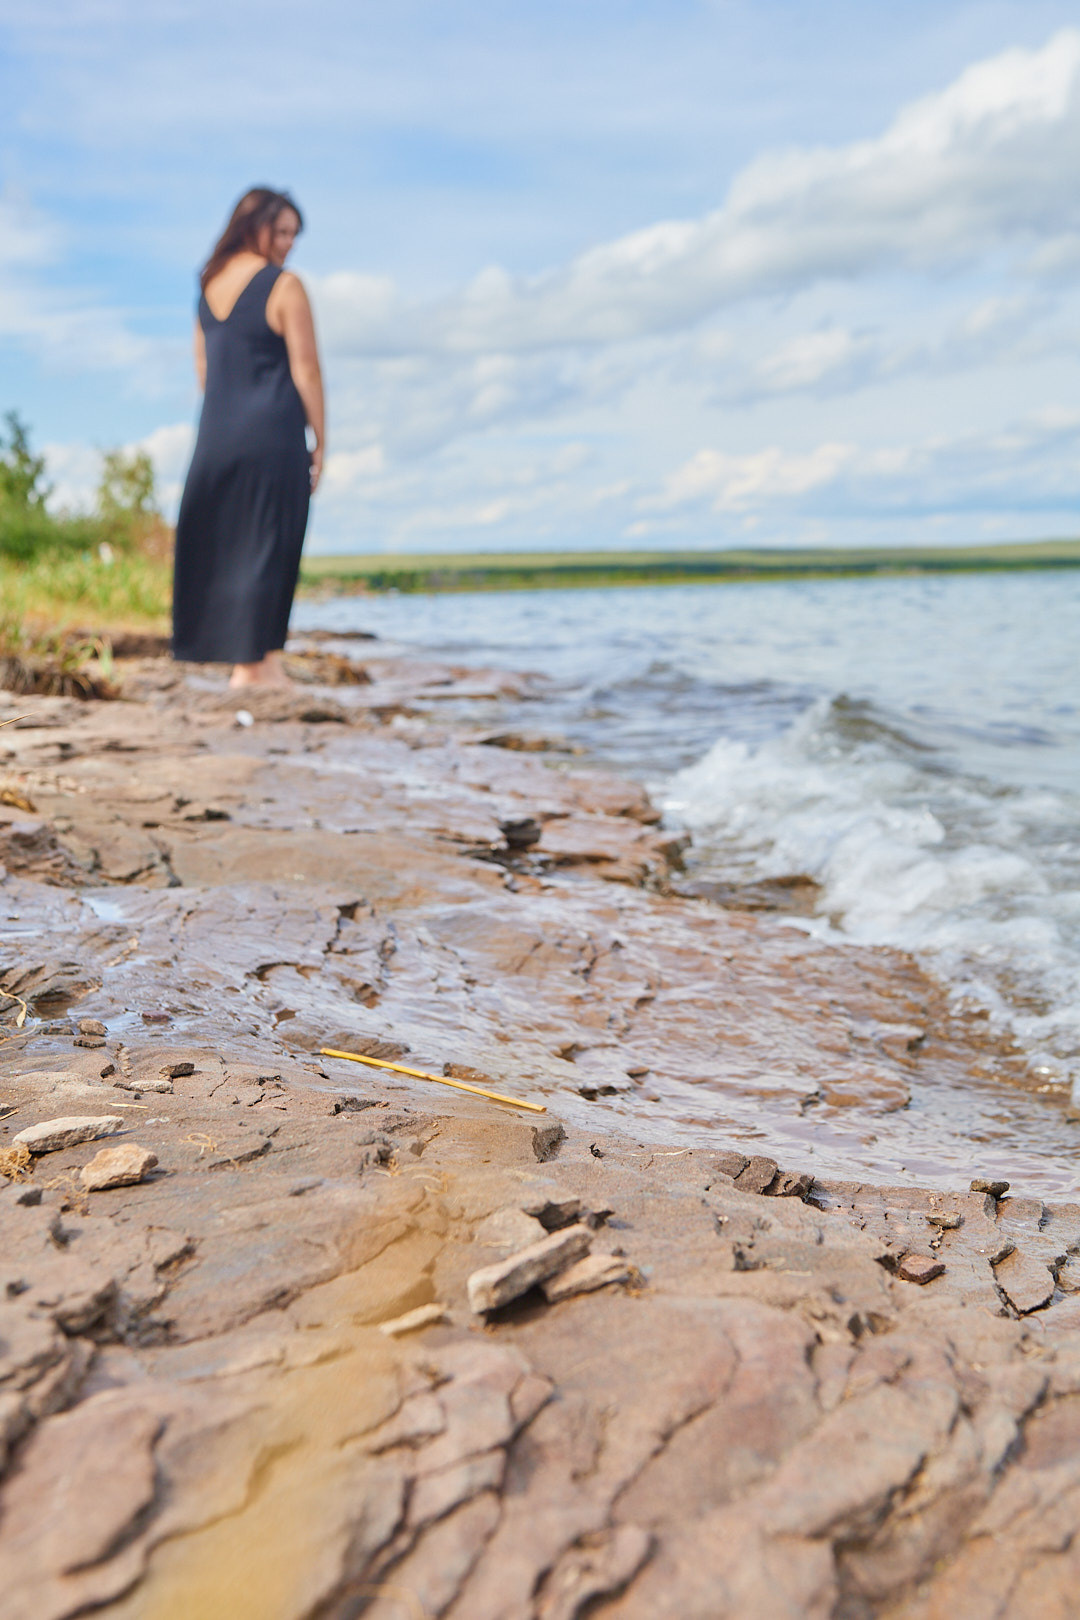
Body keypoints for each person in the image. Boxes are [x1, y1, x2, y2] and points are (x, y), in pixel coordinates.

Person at [172, 188, 325, 686]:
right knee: (272, 541)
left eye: (293, 236)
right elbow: (307, 372)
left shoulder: (206, 289)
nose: (287, 244)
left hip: (217, 433)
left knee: (235, 543)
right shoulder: (285, 287)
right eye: (280, 232)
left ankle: (260, 666)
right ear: (251, 225)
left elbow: (203, 371)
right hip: (273, 433)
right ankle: (255, 668)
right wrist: (321, 441)